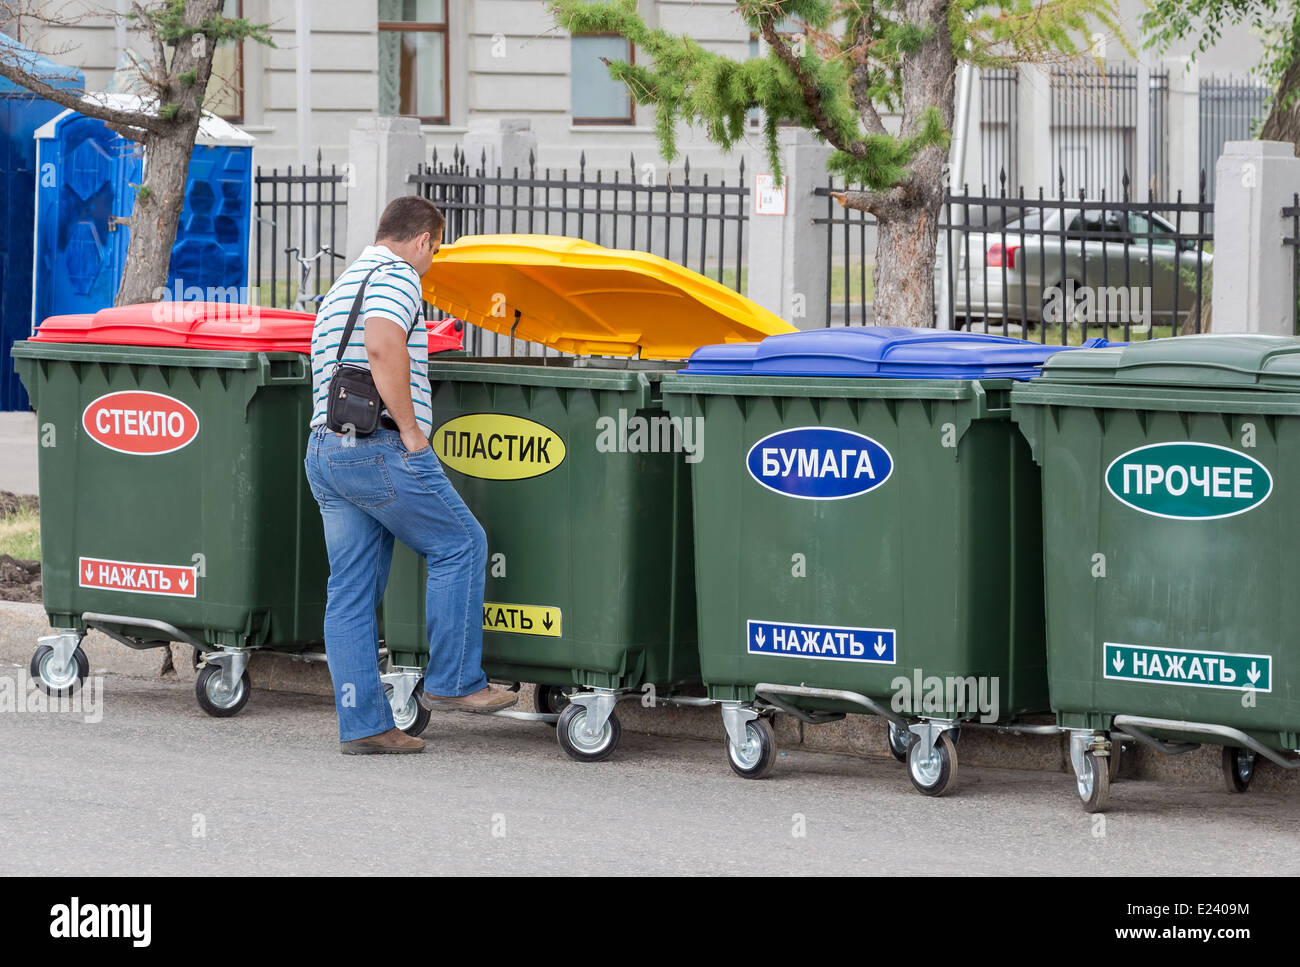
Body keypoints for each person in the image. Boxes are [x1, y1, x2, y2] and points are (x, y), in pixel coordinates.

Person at [303, 196, 517, 755]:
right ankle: (454, 683)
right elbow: (380, 342)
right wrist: (412, 431)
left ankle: (365, 726)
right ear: (422, 239)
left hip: (326, 451)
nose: (433, 258)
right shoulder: (398, 275)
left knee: (349, 592)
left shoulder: (344, 281)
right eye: (437, 247)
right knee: (461, 543)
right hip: (379, 448)